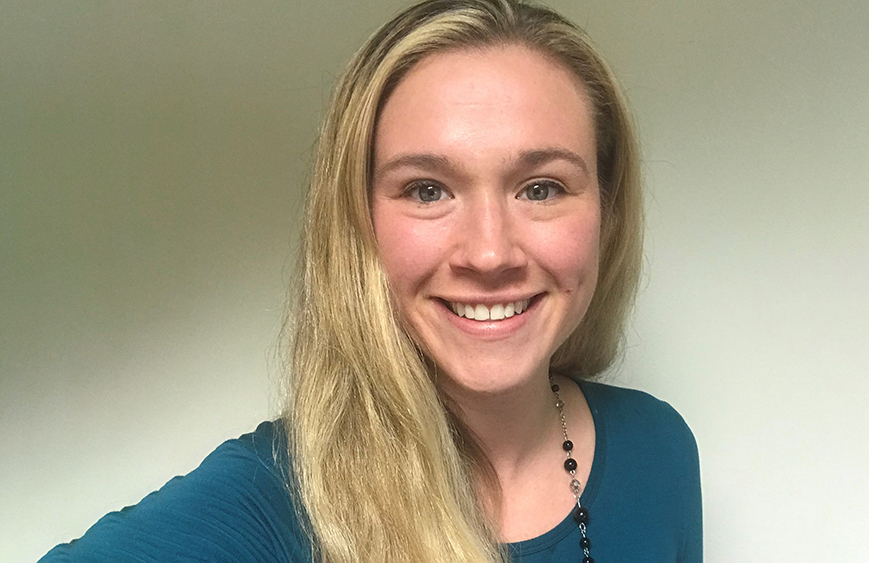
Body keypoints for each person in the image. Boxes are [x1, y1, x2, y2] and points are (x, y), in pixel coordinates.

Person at [40, 0, 701, 561]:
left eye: (541, 187)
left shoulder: (660, 449)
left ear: (607, 211)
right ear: (356, 221)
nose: (491, 251)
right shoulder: (274, 501)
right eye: (427, 189)